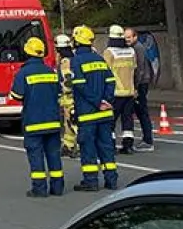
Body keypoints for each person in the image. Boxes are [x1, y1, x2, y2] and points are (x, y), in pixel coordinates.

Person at [8, 36, 63, 197]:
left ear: (27, 52)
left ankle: (39, 189)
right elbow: (58, 93)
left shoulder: (23, 72)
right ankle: (57, 188)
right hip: (52, 121)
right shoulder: (51, 72)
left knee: (36, 155)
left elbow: (16, 95)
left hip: (33, 122)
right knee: (54, 154)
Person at [66, 25, 118, 191]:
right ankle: (111, 180)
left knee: (88, 147)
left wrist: (97, 102)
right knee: (106, 147)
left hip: (88, 114)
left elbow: (81, 86)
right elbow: (111, 81)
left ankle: (91, 181)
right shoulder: (99, 59)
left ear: (76, 41)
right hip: (105, 113)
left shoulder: (76, 61)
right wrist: (106, 100)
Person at [103, 25, 140, 155]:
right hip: (129, 92)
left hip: (115, 92)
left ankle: (111, 146)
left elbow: (105, 73)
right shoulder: (131, 51)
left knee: (111, 121)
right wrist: (135, 88)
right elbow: (135, 71)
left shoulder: (109, 52)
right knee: (127, 120)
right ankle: (128, 145)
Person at [122, 27, 156, 152]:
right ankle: (145, 139)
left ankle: (148, 141)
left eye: (129, 37)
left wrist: (135, 87)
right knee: (137, 111)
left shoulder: (138, 48)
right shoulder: (133, 48)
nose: (126, 40)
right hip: (139, 82)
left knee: (142, 111)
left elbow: (139, 68)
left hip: (141, 83)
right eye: (125, 37)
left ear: (135, 37)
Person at [53, 33, 79, 159]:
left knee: (73, 123)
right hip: (71, 97)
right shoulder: (74, 58)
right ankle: (68, 145)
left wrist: (62, 92)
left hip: (70, 97)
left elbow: (66, 80)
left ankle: (78, 147)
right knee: (67, 123)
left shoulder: (65, 62)